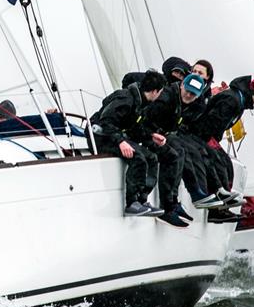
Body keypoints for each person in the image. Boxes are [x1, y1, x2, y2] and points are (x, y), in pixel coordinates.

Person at [189, 76, 254, 222]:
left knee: (226, 165)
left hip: (207, 135)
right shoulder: (232, 99)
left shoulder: (238, 100)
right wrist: (208, 140)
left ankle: (222, 206)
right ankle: (217, 207)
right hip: (201, 134)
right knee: (220, 163)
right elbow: (213, 120)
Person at [142, 73, 218, 226]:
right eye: (188, 90)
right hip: (146, 134)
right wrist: (152, 135)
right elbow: (145, 120)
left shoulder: (190, 104)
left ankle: (175, 201)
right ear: (182, 85)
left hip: (162, 134)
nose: (189, 95)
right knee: (173, 155)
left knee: (183, 150)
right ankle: (167, 207)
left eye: (193, 94)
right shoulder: (166, 99)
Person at [90, 70, 168, 217]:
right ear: (155, 91)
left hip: (115, 135)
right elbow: (106, 121)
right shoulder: (126, 98)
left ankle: (141, 200)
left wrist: (150, 136)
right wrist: (120, 142)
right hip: (102, 136)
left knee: (151, 158)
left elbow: (135, 128)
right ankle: (131, 203)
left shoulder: (141, 101)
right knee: (138, 158)